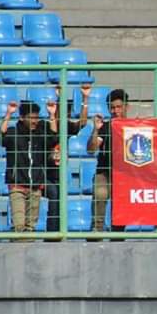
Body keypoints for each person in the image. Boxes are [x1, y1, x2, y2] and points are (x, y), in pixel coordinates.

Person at [0, 101, 55, 233]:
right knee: (19, 225)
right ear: (22, 118)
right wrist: (8, 114)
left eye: (36, 117)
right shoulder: (13, 133)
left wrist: (52, 115)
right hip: (17, 185)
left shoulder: (40, 134)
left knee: (30, 227)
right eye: (31, 118)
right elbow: (0, 137)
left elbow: (54, 137)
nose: (35, 121)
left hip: (36, 186)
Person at [44, 85, 91, 233]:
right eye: (60, 111)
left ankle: (57, 232)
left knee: (59, 201)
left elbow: (82, 123)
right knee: (54, 197)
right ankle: (52, 233)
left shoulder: (67, 126)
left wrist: (85, 98)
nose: (63, 114)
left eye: (67, 112)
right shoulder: (46, 126)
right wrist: (58, 98)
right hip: (45, 172)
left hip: (60, 173)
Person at [87, 89, 128, 232]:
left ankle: (118, 233)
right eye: (112, 107)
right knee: (100, 193)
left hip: (126, 174)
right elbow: (91, 149)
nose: (115, 111)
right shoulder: (105, 127)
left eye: (119, 107)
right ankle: (96, 230)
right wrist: (96, 130)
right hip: (104, 172)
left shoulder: (134, 126)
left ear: (126, 107)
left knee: (122, 199)